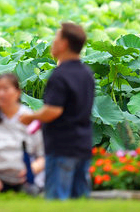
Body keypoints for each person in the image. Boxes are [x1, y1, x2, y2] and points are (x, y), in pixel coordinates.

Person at [20, 22, 95, 200]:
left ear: (64, 44)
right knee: (80, 200)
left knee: (58, 200)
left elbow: (53, 111)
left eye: (56, 39)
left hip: (62, 146)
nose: (52, 43)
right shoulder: (87, 73)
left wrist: (31, 117)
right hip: (83, 144)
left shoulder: (60, 75)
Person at [0, 73, 45, 194]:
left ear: (18, 92)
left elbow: (43, 153)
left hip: (25, 178)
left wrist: (33, 168)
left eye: (5, 89)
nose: (1, 94)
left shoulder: (29, 117)